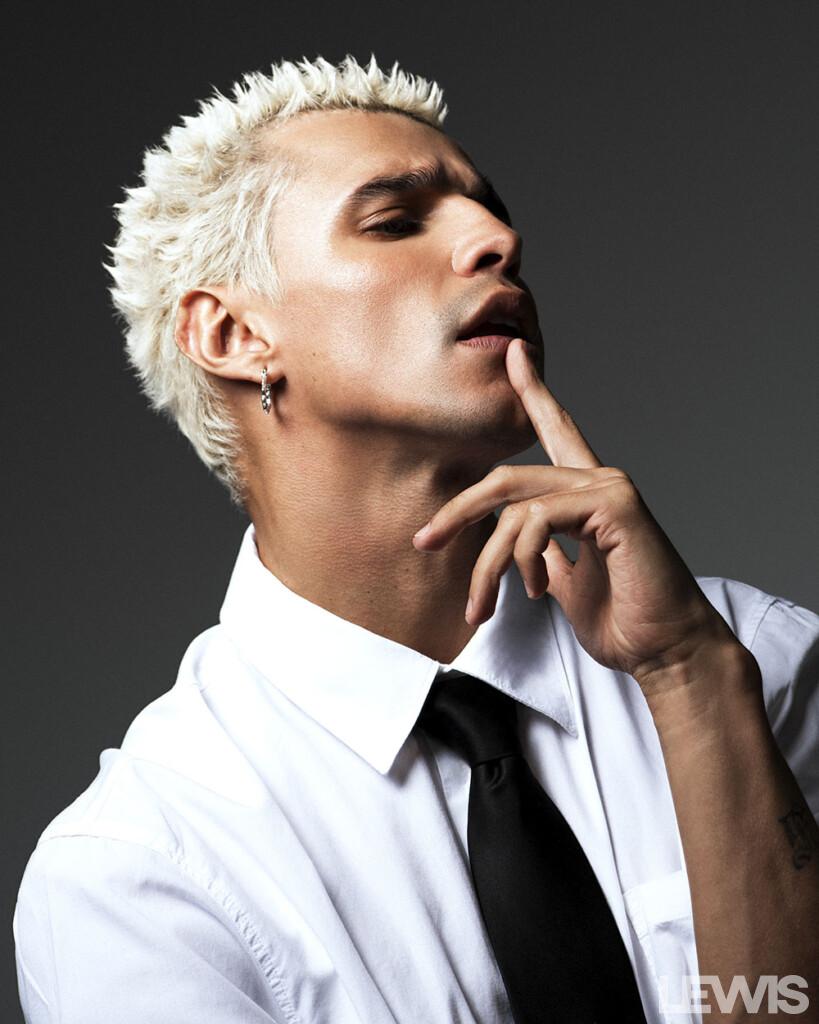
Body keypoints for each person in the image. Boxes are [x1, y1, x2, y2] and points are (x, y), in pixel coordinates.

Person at [13, 54, 819, 1024]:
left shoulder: (749, 662)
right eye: (395, 220)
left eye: (490, 210)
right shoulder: (139, 876)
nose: (498, 239)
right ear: (231, 335)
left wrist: (691, 680)